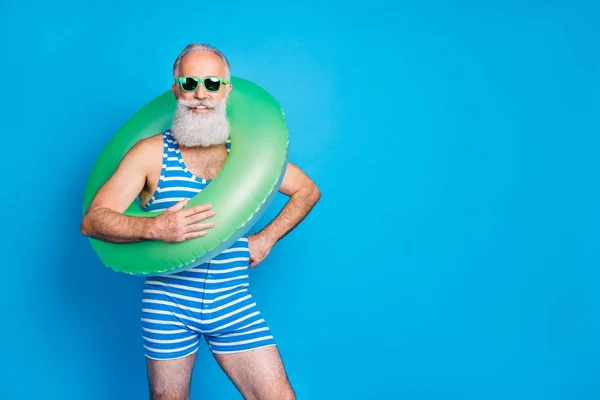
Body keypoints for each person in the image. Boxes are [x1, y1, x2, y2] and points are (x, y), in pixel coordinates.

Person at [80, 43, 321, 400]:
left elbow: (306, 191)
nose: (200, 94)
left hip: (233, 300)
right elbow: (93, 220)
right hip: (169, 305)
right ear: (176, 89)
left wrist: (266, 238)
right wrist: (154, 228)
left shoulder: (245, 156)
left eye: (211, 84)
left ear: (226, 90)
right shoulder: (150, 153)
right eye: (190, 83)